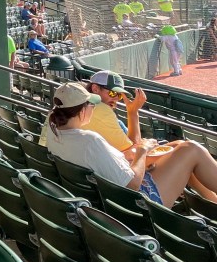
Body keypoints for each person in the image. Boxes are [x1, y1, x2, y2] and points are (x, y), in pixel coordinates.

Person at [45, 83, 217, 209]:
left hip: (108, 199)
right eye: (90, 104)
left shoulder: (54, 132)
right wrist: (142, 150)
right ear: (81, 110)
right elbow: (132, 185)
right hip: (136, 205)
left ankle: (214, 203)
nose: (93, 107)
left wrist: (130, 155)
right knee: (192, 149)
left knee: (179, 146)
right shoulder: (89, 140)